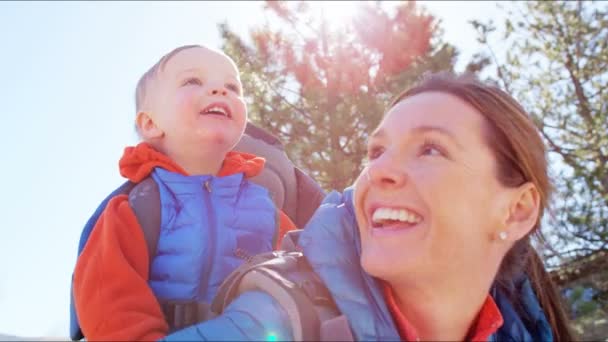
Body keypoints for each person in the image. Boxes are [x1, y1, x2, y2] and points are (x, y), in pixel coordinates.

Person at [161, 72, 574, 341]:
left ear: (516, 211)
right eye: (376, 152)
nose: (378, 172)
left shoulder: (530, 329)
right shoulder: (276, 321)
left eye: (430, 149)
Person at [71, 44, 301, 341]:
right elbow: (107, 295)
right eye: (193, 81)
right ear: (151, 123)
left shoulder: (267, 211)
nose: (220, 90)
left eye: (232, 86)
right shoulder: (136, 208)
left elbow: (301, 272)